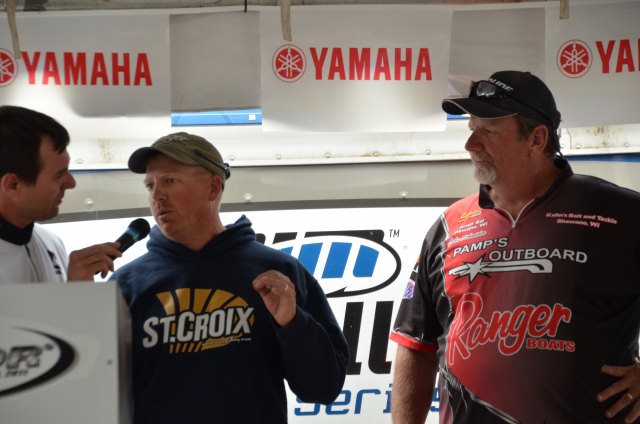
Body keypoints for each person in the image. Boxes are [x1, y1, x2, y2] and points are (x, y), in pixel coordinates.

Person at [389, 70, 640, 423]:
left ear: (537, 139)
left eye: (489, 131)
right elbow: (415, 344)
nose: (471, 144)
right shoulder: (450, 224)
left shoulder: (620, 213)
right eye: (471, 129)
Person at [110, 132, 348, 423]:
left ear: (213, 187)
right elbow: (96, 398)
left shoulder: (277, 271)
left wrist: (293, 323)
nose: (156, 196)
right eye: (150, 185)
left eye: (170, 181)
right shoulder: (125, 285)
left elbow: (324, 387)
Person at [0, 105, 123, 284]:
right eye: (59, 175)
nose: (71, 183)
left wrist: (74, 290)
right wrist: (73, 293)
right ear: (13, 185)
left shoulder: (51, 242)